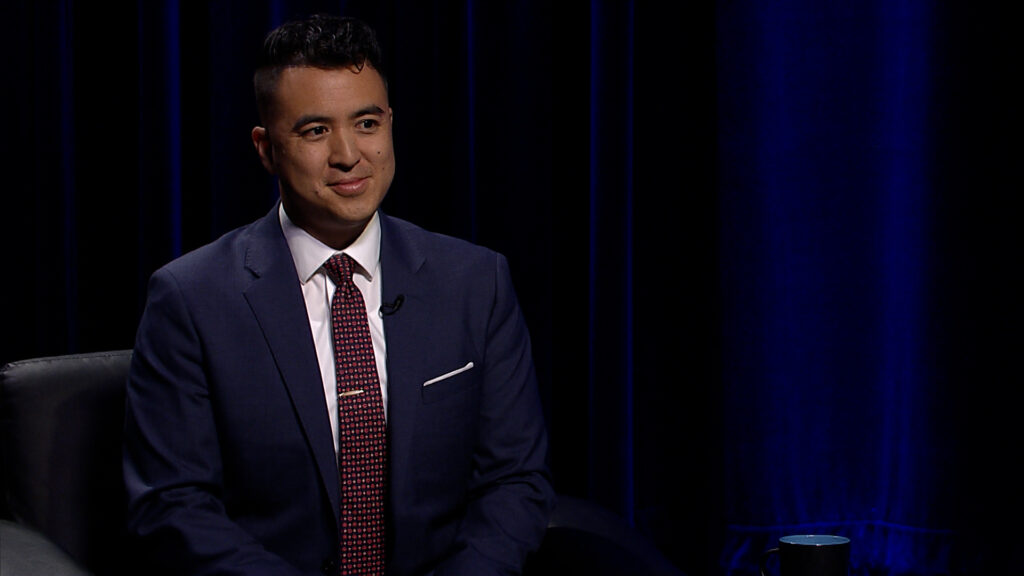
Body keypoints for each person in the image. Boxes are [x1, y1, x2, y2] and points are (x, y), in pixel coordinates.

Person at [122, 13, 554, 576]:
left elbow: (514, 482)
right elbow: (172, 506)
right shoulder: (190, 299)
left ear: (391, 124)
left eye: (368, 123)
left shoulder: (477, 282)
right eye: (315, 130)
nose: (349, 155)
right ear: (266, 148)